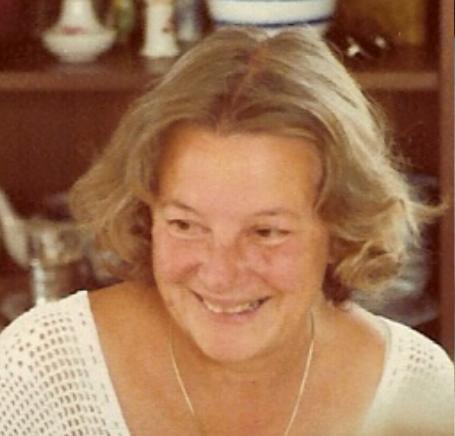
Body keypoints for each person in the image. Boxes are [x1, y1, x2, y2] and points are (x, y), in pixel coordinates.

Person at [0, 27, 453, 436]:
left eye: (267, 232)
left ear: (341, 229)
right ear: (145, 215)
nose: (220, 274)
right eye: (185, 225)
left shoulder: (418, 388)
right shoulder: (41, 371)